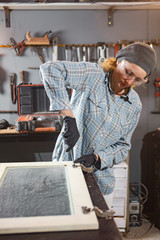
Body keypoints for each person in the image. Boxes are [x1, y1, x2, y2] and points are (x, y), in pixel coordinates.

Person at [40, 42, 157, 207]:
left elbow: (123, 146)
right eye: (127, 72)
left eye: (137, 79)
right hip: (67, 170)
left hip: (101, 181)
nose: (129, 81)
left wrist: (97, 158)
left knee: (100, 230)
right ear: (118, 61)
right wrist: (68, 117)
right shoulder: (93, 75)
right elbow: (50, 69)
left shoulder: (134, 104)